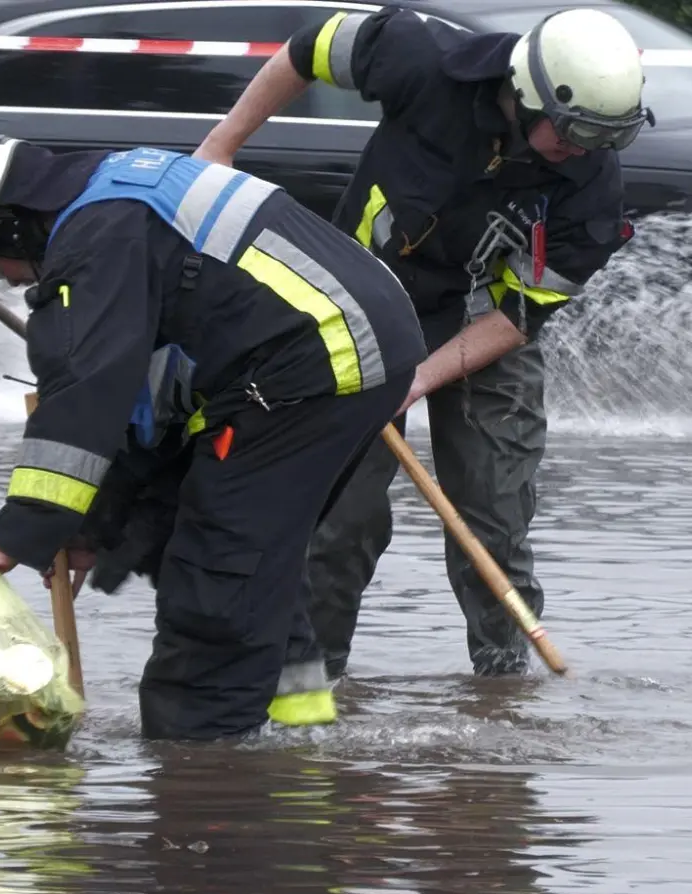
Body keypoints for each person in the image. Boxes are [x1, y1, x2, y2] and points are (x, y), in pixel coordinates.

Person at [0, 135, 428, 740]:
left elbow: (84, 396)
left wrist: (17, 534)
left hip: (313, 361)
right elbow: (141, 397)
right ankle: (297, 731)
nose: (4, 278)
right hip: (347, 347)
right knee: (241, 550)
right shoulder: (115, 193)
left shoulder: (97, 237)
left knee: (217, 568)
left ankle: (199, 760)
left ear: (3, 224)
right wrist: (93, 525)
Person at [193, 7, 652, 678]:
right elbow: (306, 49)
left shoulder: (593, 186)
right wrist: (221, 147)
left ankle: (504, 692)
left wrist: (416, 381)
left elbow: (517, 317)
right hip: (357, 314)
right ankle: (312, 684)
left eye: (605, 138)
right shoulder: (418, 56)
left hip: (480, 329)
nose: (584, 150)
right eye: (575, 131)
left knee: (493, 520)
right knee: (342, 518)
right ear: (529, 94)